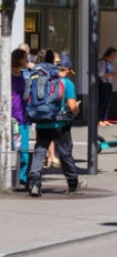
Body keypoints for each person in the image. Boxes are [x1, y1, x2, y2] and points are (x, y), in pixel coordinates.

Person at [26, 56, 84, 197]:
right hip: (60, 123)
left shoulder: (41, 81)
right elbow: (71, 106)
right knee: (65, 153)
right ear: (67, 70)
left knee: (40, 151)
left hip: (42, 121)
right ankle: (72, 184)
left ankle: (35, 183)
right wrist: (77, 108)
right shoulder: (67, 84)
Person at [11, 48, 31, 188]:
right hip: (9, 118)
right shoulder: (5, 76)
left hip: (23, 117)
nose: (27, 61)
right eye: (25, 58)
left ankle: (22, 178)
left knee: (24, 151)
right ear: (19, 59)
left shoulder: (25, 76)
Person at [97, 47, 117, 125]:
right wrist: (113, 74)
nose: (115, 56)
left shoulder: (109, 63)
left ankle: (104, 119)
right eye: (114, 54)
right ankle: (99, 120)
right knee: (102, 102)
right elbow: (101, 74)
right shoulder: (102, 62)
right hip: (103, 84)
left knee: (107, 103)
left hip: (109, 84)